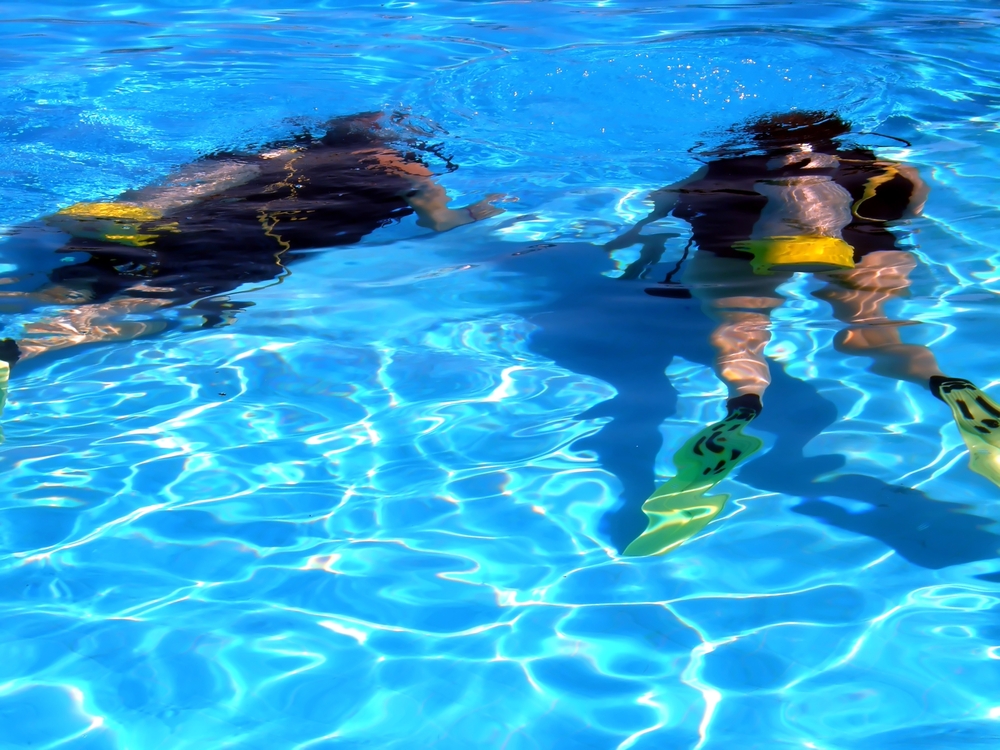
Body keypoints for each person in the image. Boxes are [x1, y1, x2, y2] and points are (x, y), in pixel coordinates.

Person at [607, 111, 1000, 557]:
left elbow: (658, 218)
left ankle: (742, 408)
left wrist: (635, 256)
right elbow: (912, 217)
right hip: (857, 243)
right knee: (873, 331)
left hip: (743, 242)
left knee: (742, 334)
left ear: (756, 142)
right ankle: (952, 388)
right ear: (840, 138)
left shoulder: (716, 170)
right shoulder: (888, 169)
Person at [0, 113, 503, 432]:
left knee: (73, 284)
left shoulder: (279, 150)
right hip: (237, 246)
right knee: (140, 304)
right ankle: (26, 350)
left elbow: (184, 185)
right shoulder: (407, 170)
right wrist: (478, 213)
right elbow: (440, 222)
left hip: (178, 222)